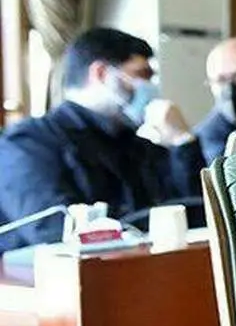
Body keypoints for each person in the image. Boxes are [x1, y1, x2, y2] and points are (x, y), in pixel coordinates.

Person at [0, 28, 203, 252]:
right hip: (46, 272)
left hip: (141, 265)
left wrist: (183, 142)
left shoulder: (136, 144)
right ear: (101, 73)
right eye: (140, 75)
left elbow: (199, 214)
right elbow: (54, 231)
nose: (148, 87)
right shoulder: (27, 143)